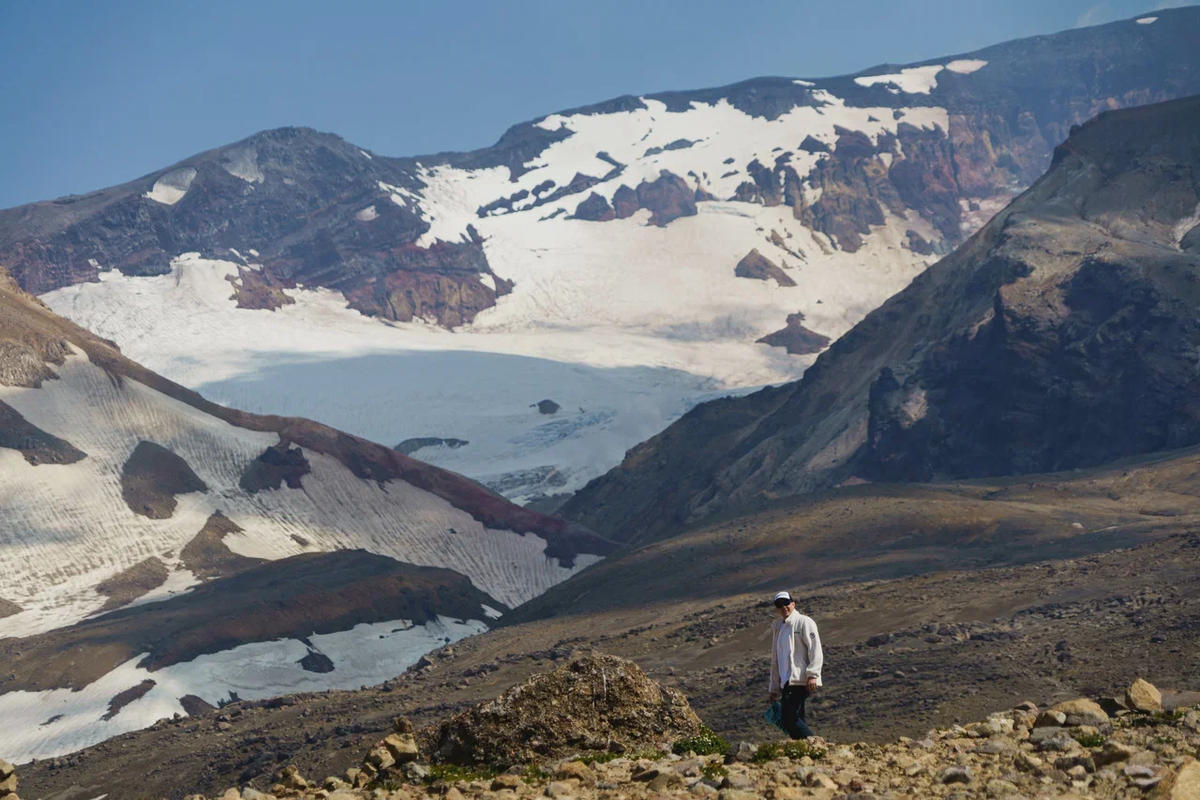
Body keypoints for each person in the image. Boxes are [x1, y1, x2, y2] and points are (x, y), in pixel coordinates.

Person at [767, 590, 823, 739]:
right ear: (776, 608)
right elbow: (776, 660)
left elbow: (815, 649)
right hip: (786, 681)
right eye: (779, 604)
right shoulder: (778, 628)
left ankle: (814, 744)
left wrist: (812, 674)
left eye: (786, 603)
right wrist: (773, 688)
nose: (783, 606)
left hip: (800, 679)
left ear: (793, 604)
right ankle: (804, 749)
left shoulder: (804, 622)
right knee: (795, 717)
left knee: (790, 718)